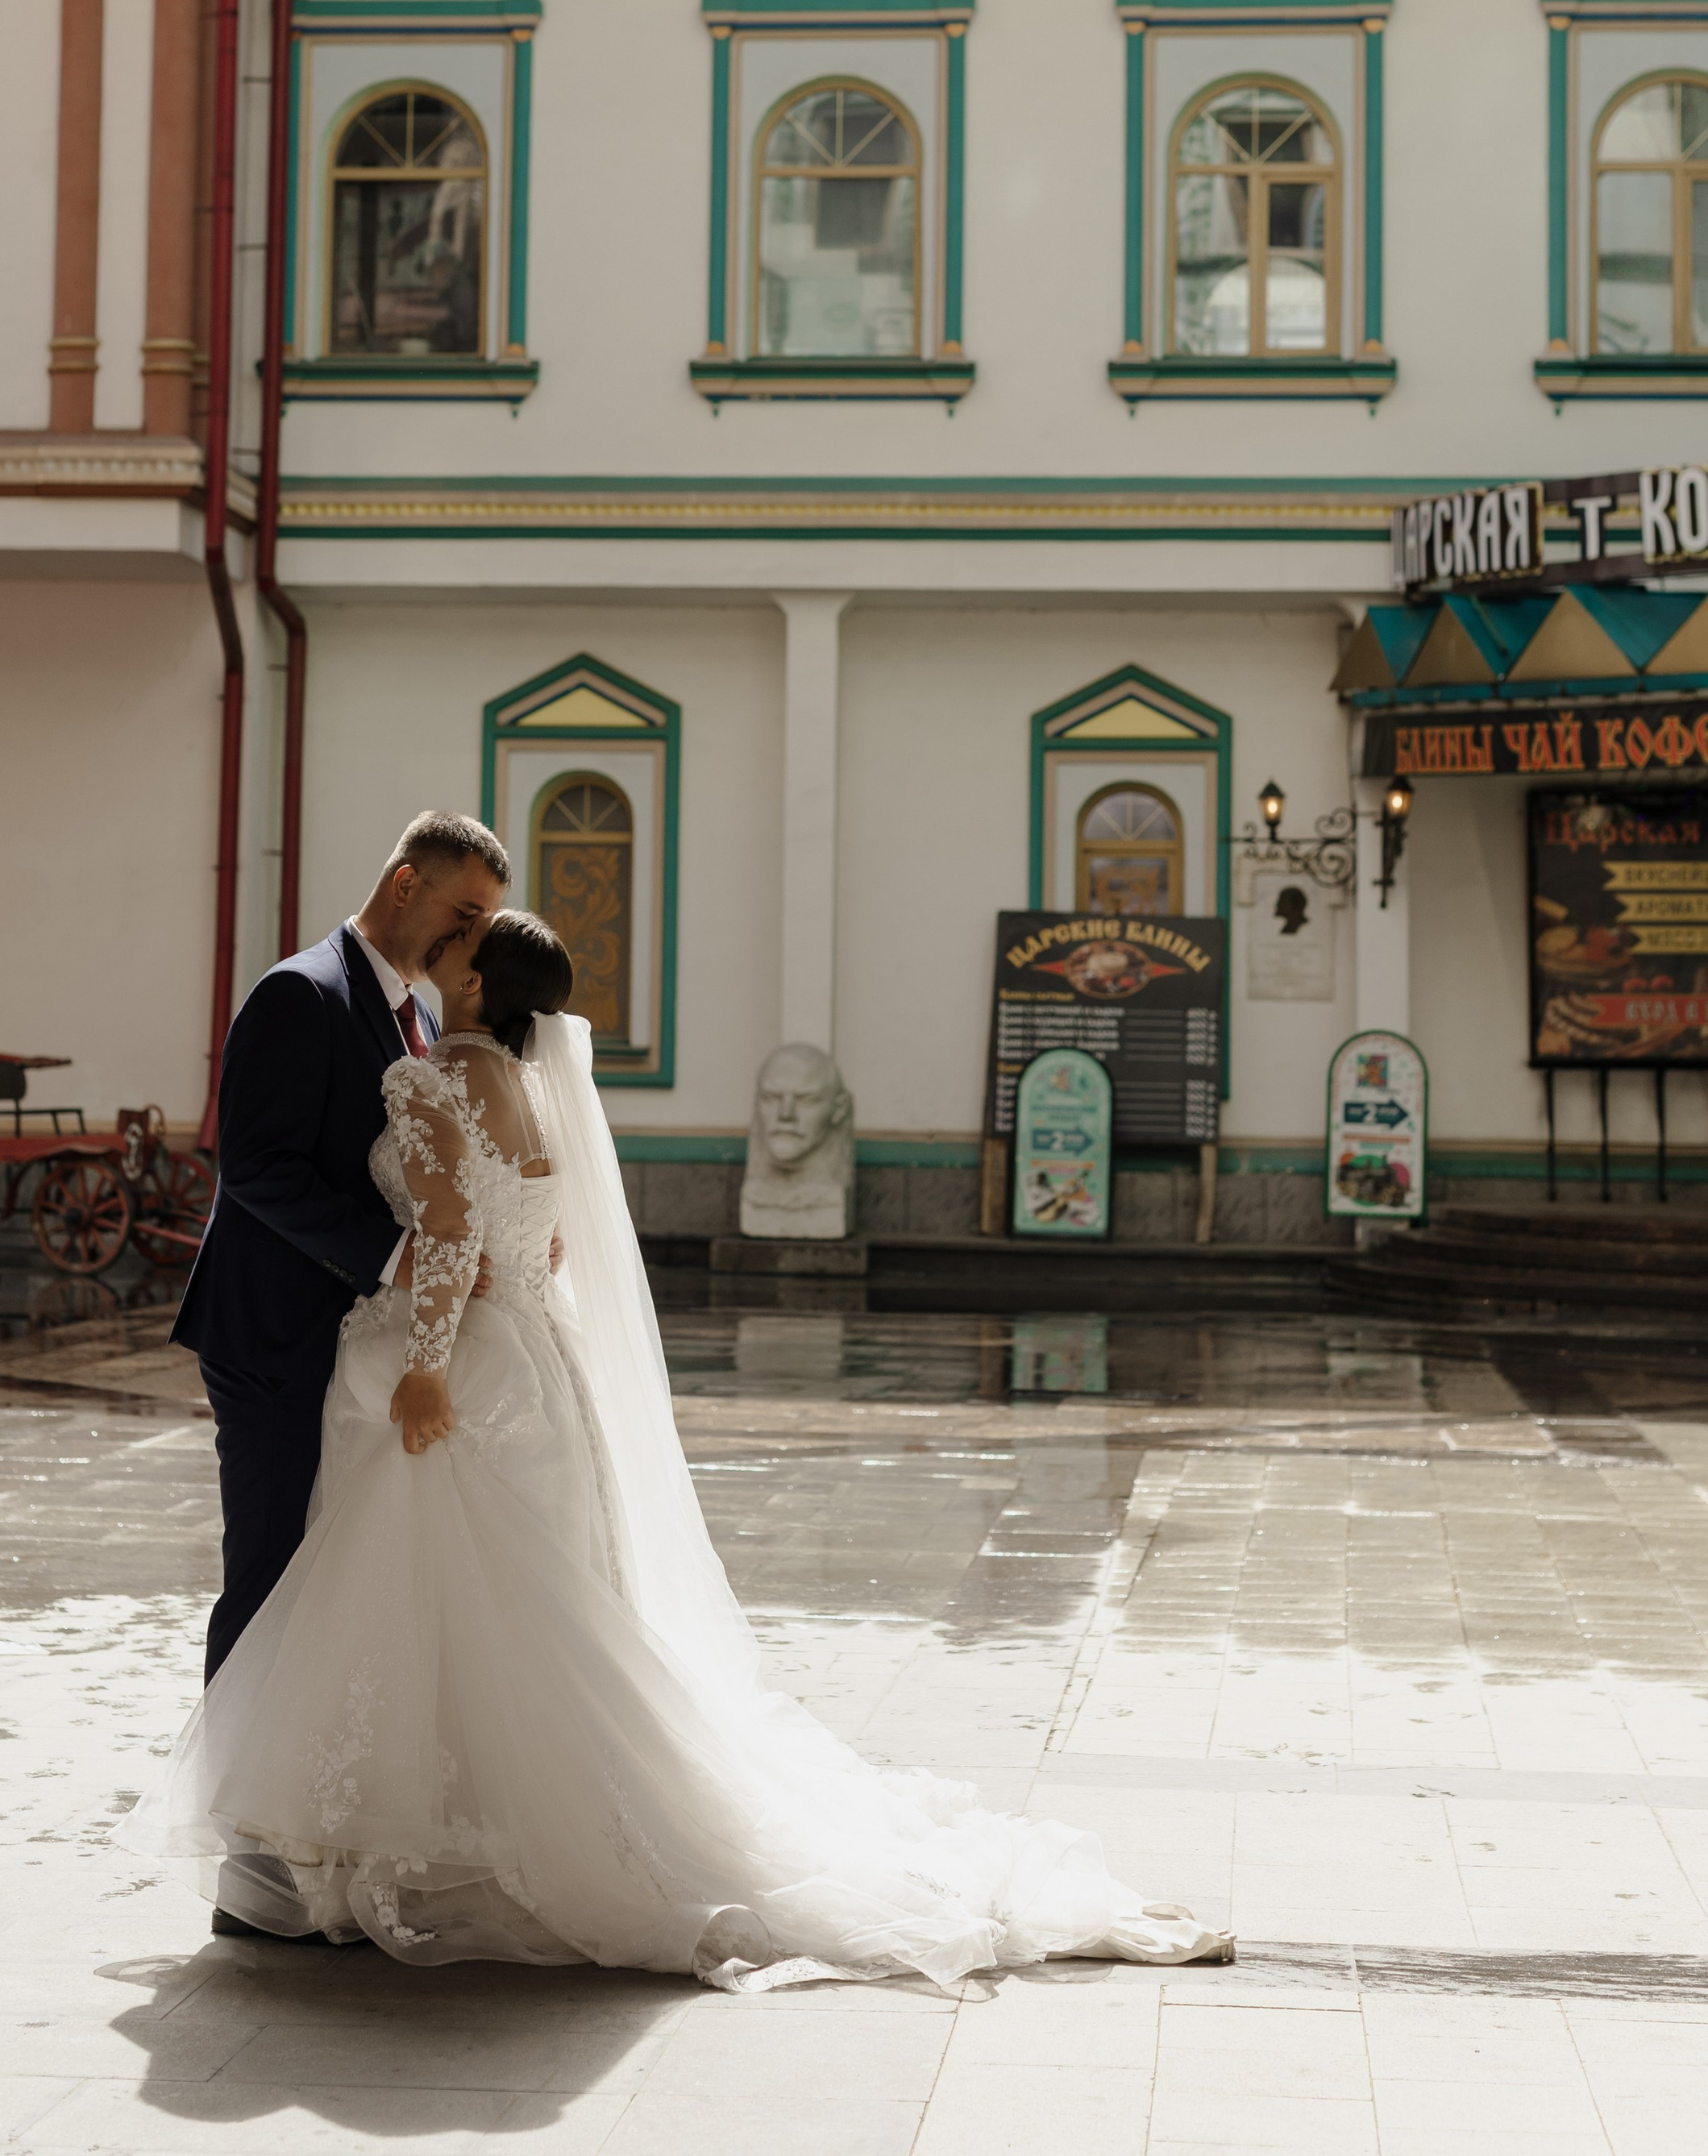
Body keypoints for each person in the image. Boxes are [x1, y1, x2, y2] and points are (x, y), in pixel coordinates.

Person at [128, 908, 1232, 1988]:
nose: (447, 942)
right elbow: (544, 1234)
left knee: (435, 1599)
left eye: (464, 936)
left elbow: (452, 1245)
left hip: (461, 1366)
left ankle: (425, 1835)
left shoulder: (433, 1082)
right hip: (541, 1371)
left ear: (472, 982)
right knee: (533, 1605)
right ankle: (493, 1821)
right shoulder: (536, 1091)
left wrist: (421, 1371)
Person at [172, 810, 508, 1927]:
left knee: (333, 1589)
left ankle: (313, 1833)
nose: (472, 941)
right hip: (271, 1333)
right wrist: (405, 1255)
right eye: (464, 914)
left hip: (354, 1338)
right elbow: (254, 1165)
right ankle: (246, 1861)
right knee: (268, 1577)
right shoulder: (301, 992)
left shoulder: (408, 1014)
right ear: (405, 881)